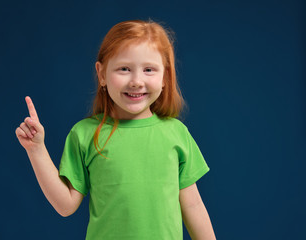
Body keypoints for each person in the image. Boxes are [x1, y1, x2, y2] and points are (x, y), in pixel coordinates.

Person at [15, 19, 216, 240]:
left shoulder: (176, 133)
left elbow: (194, 205)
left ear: (165, 77)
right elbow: (65, 205)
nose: (136, 81)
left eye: (149, 69)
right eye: (124, 69)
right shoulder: (84, 134)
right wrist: (36, 150)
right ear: (101, 74)